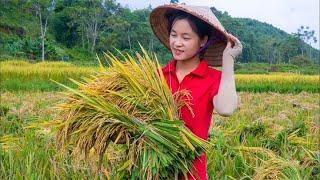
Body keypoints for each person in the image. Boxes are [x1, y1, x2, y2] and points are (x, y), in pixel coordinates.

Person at [149, 4, 243, 180]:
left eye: (186, 37)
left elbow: (226, 109)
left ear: (203, 41)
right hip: (154, 170)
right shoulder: (158, 76)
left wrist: (228, 60)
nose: (177, 43)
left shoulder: (212, 78)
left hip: (192, 172)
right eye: (173, 35)